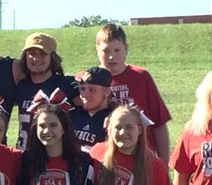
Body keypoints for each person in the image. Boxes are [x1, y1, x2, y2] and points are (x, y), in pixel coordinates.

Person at [96, 22, 172, 162]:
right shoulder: (87, 80)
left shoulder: (141, 76)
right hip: (104, 159)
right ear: (97, 50)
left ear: (126, 49)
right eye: (106, 51)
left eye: (117, 50)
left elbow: (159, 123)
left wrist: (164, 164)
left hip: (141, 158)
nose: (111, 57)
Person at [13, 33, 80, 148]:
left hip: (56, 156)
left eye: (42, 54)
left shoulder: (66, 84)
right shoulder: (21, 86)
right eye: (31, 53)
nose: (36, 58)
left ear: (52, 57)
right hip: (25, 155)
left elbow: (93, 103)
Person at [68, 67, 118, 151]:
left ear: (107, 92)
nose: (85, 94)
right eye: (82, 89)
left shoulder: (113, 119)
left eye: (92, 90)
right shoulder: (72, 115)